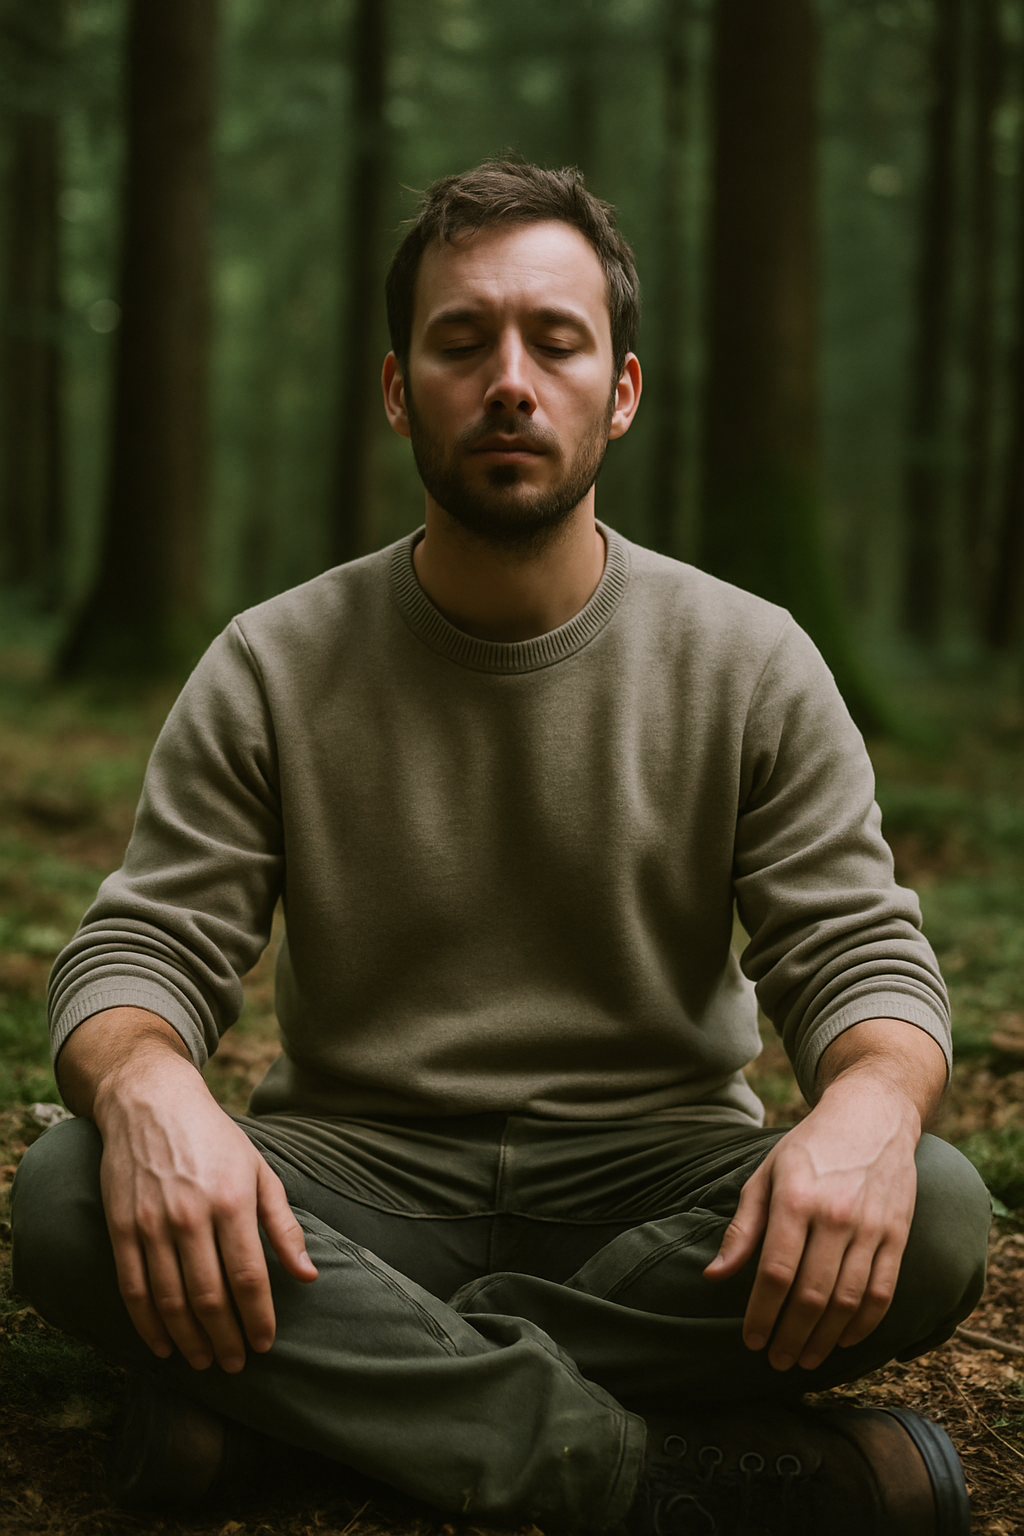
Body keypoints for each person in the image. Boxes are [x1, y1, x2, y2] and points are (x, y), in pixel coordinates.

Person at [12, 160, 989, 1536]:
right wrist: (149, 1090)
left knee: (933, 1213)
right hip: (355, 1180)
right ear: (402, 389)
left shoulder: (751, 657)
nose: (511, 380)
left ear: (624, 390)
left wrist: (871, 1112)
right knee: (74, 1193)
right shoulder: (272, 663)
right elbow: (142, 946)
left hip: (658, 1190)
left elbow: (861, 953)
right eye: (462, 341)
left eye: (557, 340)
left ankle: (331, 1419)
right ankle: (645, 1474)